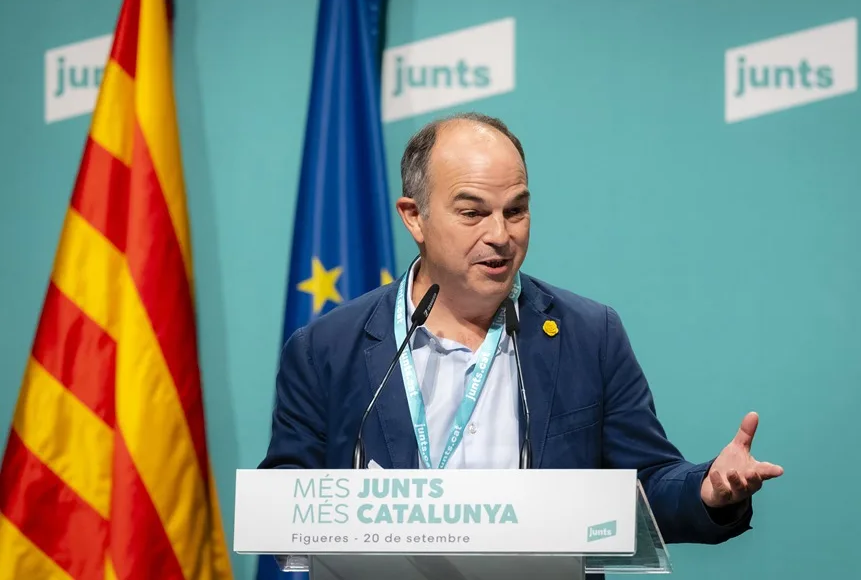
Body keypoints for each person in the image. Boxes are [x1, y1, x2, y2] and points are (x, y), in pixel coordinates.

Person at [260, 112, 783, 545]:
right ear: (413, 216)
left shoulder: (588, 335)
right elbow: (287, 504)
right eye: (473, 213)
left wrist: (708, 490)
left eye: (516, 211)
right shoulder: (327, 349)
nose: (500, 236)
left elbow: (647, 483)